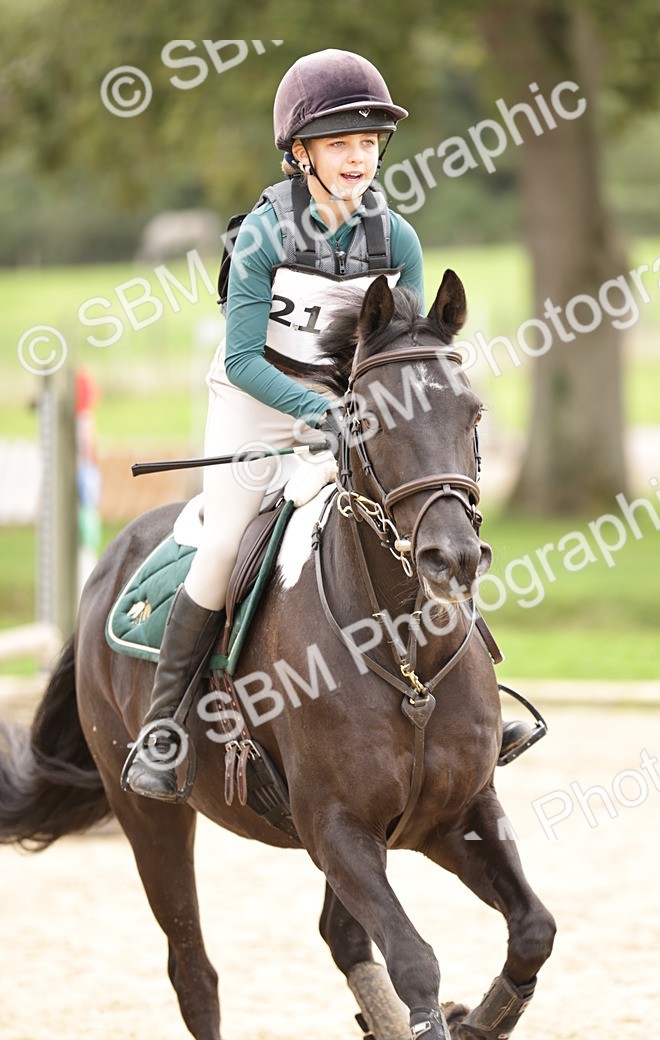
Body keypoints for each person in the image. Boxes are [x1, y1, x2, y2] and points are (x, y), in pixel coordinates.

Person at [124, 49, 533, 802]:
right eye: (341, 143)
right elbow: (246, 360)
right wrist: (323, 413)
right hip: (255, 403)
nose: (358, 158)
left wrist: (372, 416)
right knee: (220, 547)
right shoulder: (262, 239)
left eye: (369, 144)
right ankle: (163, 726)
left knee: (417, 522)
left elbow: (400, 350)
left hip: (349, 405)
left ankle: (480, 703)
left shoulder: (396, 241)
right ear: (299, 153)